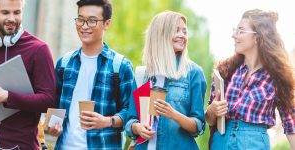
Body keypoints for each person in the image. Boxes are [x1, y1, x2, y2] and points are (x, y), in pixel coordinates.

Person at [0, 0, 56, 149]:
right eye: (5, 12)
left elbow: (48, 101)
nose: (12, 19)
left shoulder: (39, 50)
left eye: (17, 12)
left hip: (21, 145)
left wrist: (8, 96)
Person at [48, 0, 135, 149]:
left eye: (92, 21)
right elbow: (54, 106)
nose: (84, 26)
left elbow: (132, 113)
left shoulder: (120, 66)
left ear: (107, 23)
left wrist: (107, 121)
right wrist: (52, 126)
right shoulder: (64, 63)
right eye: (80, 19)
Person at [205, 9, 295, 150]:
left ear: (257, 37)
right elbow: (210, 120)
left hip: (254, 144)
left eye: (241, 31)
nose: (234, 35)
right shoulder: (225, 71)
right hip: (221, 143)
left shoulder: (276, 77)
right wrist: (212, 110)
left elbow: (291, 124)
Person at [125, 10, 207, 150]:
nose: (182, 35)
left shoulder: (193, 73)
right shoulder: (142, 74)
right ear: (160, 34)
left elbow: (198, 126)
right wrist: (137, 128)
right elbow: (130, 121)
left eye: (184, 32)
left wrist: (174, 115)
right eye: (176, 30)